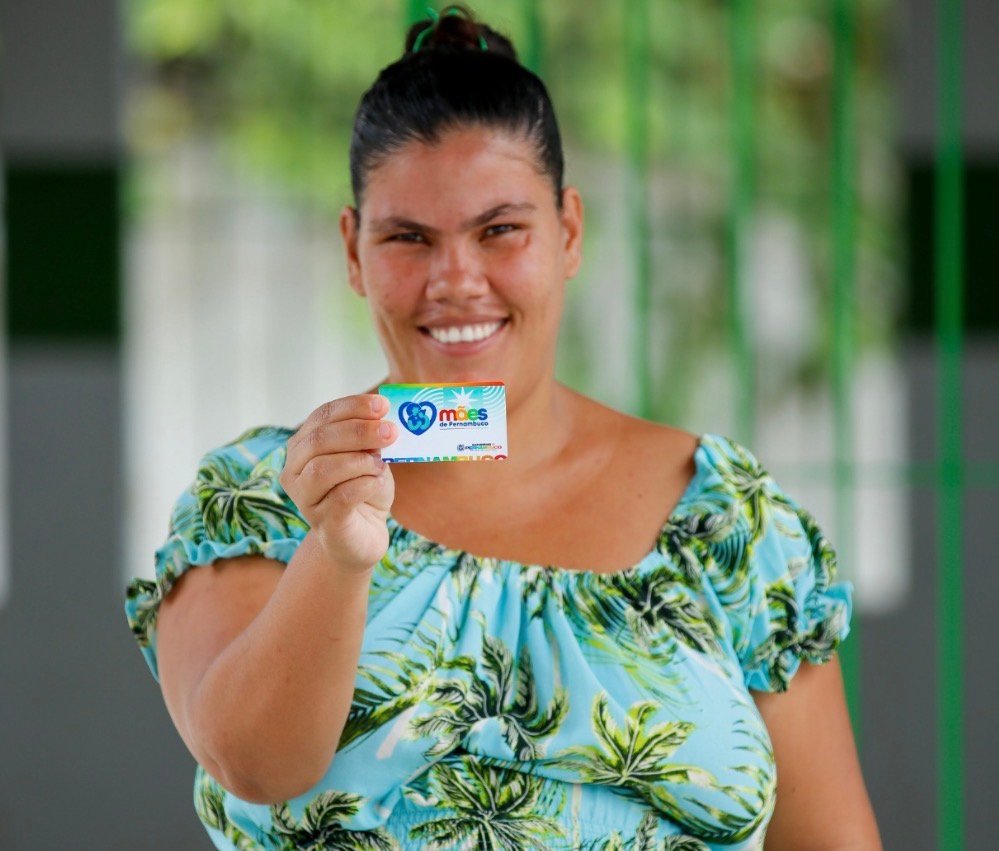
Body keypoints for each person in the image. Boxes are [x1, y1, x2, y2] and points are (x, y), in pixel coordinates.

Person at [124, 5, 882, 849]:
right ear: (352, 250)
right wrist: (339, 550)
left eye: (500, 231)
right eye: (408, 237)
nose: (455, 279)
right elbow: (255, 764)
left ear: (567, 231)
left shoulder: (726, 520)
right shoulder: (260, 493)